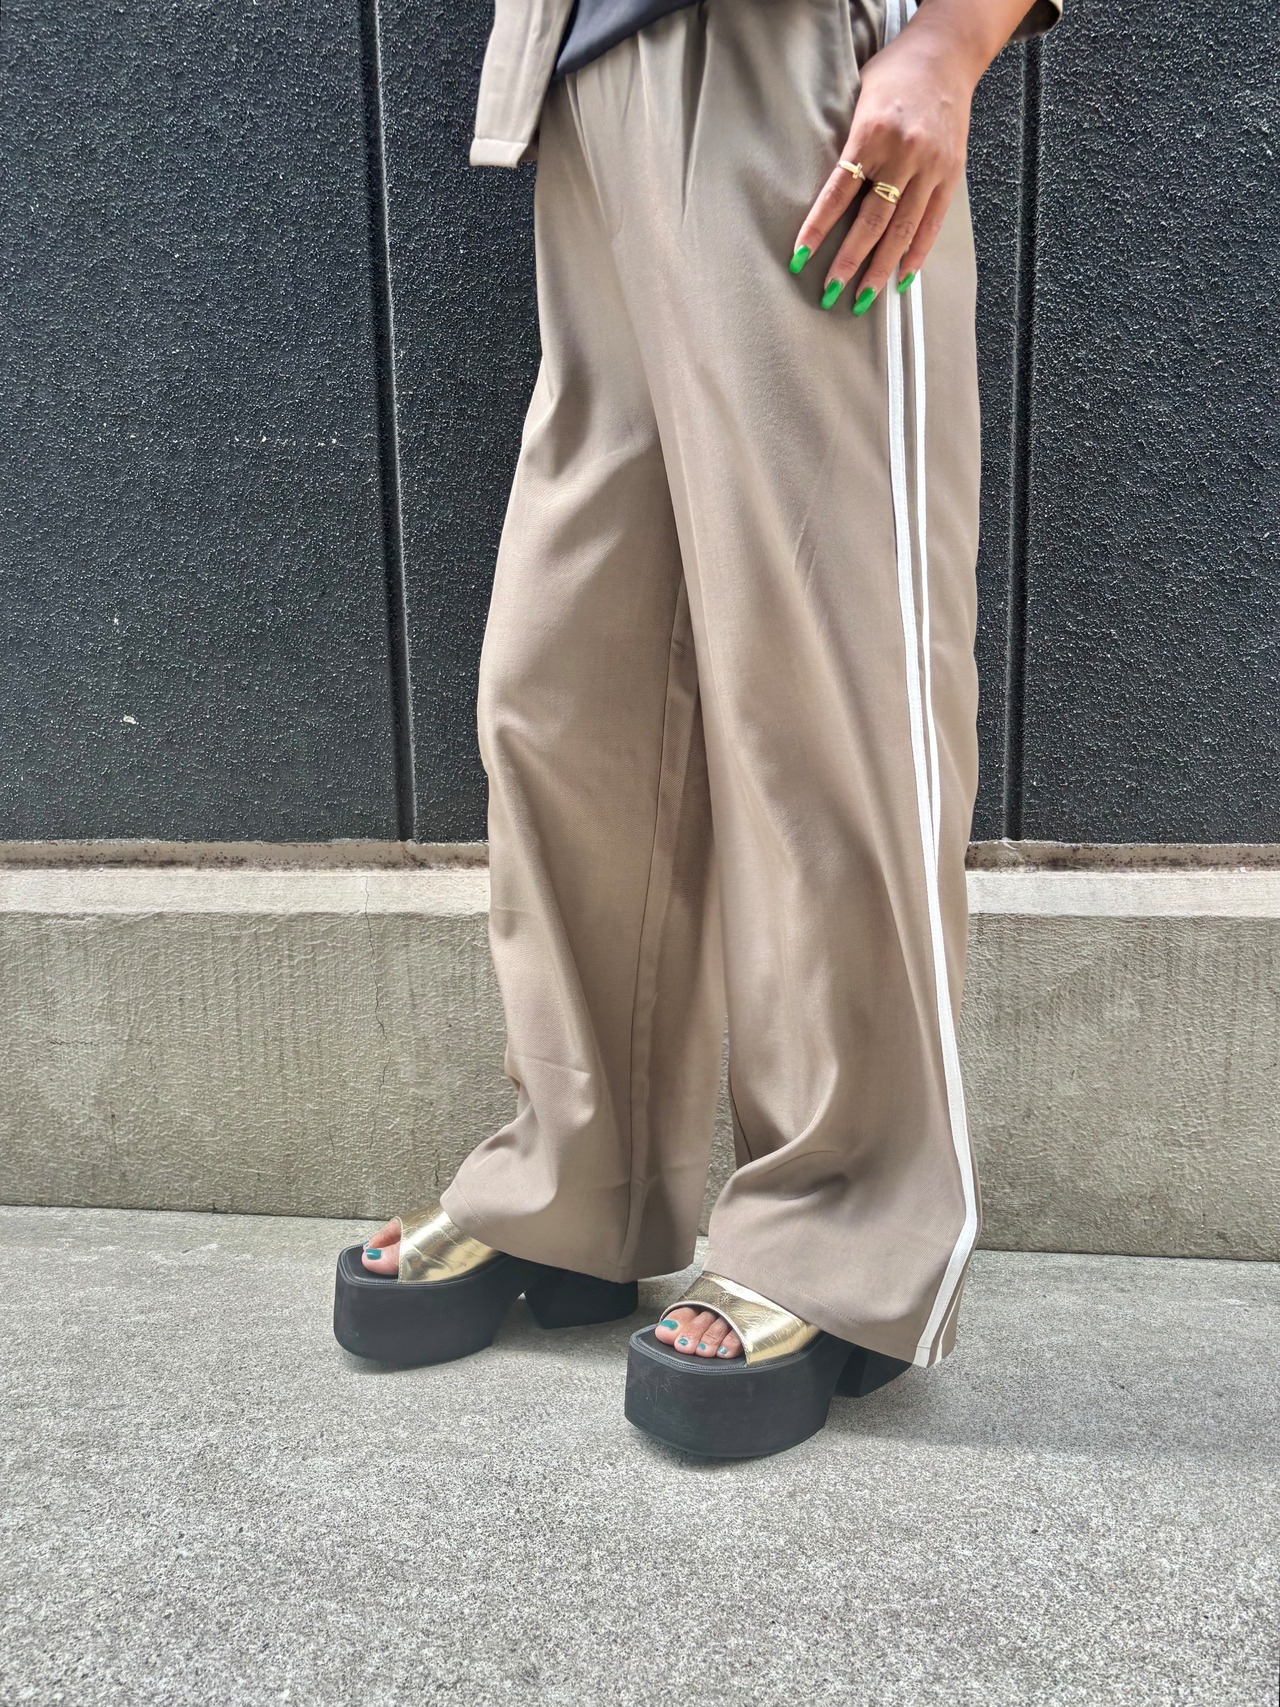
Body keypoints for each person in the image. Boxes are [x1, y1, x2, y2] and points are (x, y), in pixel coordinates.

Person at [333, 0, 1063, 1460]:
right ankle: (578, 1184)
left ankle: (842, 1236)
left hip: (797, 69)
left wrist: (952, 42)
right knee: (566, 694)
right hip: (587, 72)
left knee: (827, 689)